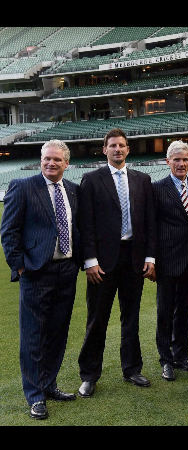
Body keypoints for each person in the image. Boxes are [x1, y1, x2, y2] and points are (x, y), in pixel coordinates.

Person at [1, 140, 81, 420]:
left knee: (57, 333)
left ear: (66, 163)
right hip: (36, 272)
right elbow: (9, 232)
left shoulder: (73, 190)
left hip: (66, 271)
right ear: (41, 160)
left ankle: (49, 385)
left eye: (57, 159)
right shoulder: (22, 187)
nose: (51, 163)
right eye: (47, 158)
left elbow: (77, 227)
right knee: (33, 336)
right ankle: (35, 396)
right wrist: (20, 267)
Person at [77, 128, 157, 398]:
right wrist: (89, 260)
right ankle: (89, 375)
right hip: (102, 262)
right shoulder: (91, 180)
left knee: (131, 318)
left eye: (122, 145)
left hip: (134, 258)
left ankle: (132, 369)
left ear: (128, 149)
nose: (118, 149)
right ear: (104, 150)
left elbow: (149, 222)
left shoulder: (142, 180)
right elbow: (85, 223)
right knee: (97, 319)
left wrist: (150, 257)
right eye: (112, 145)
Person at [152, 141, 188, 381]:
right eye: (176, 160)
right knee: (165, 312)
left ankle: (181, 356)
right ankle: (166, 360)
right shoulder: (157, 188)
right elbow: (151, 226)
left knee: (184, 310)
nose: (181, 164)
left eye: (185, 160)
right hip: (167, 260)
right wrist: (152, 259)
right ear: (168, 162)